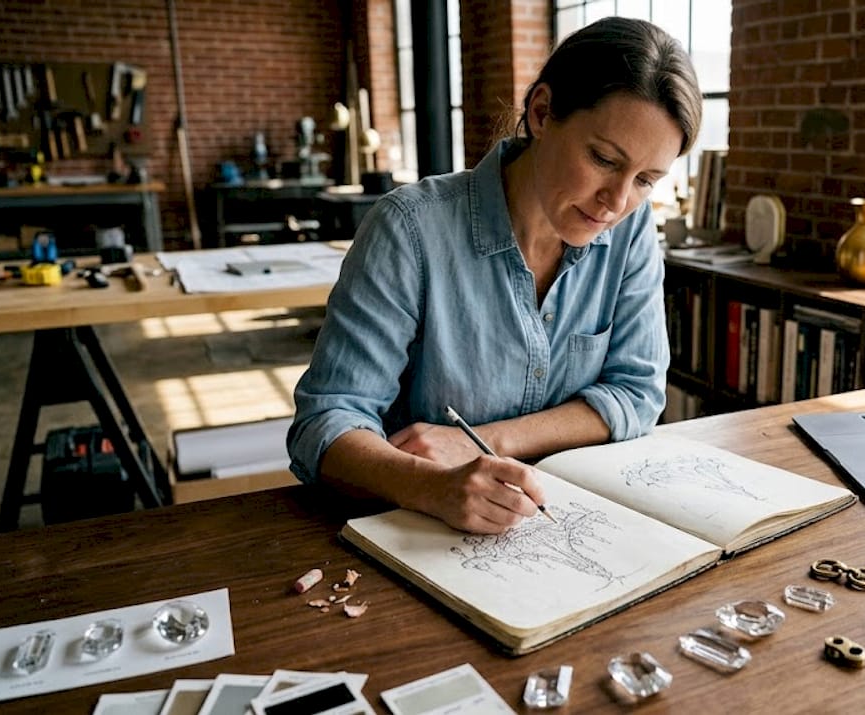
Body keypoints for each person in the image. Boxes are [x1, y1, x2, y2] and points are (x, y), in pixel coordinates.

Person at [287, 17, 703, 535]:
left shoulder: (632, 227)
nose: (617, 203)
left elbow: (637, 392)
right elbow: (325, 425)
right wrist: (428, 485)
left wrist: (485, 440)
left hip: (564, 526)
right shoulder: (410, 228)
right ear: (542, 112)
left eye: (645, 179)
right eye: (602, 159)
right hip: (411, 532)